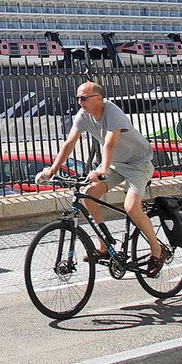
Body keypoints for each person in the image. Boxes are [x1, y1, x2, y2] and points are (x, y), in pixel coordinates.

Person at [36, 81, 166, 272]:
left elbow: (109, 143)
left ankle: (158, 250)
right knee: (89, 195)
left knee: (131, 207)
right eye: (78, 98)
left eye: (84, 98)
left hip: (138, 164)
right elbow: (69, 142)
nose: (80, 102)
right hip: (116, 164)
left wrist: (102, 169)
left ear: (98, 98)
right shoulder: (83, 115)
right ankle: (104, 246)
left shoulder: (112, 112)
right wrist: (52, 170)